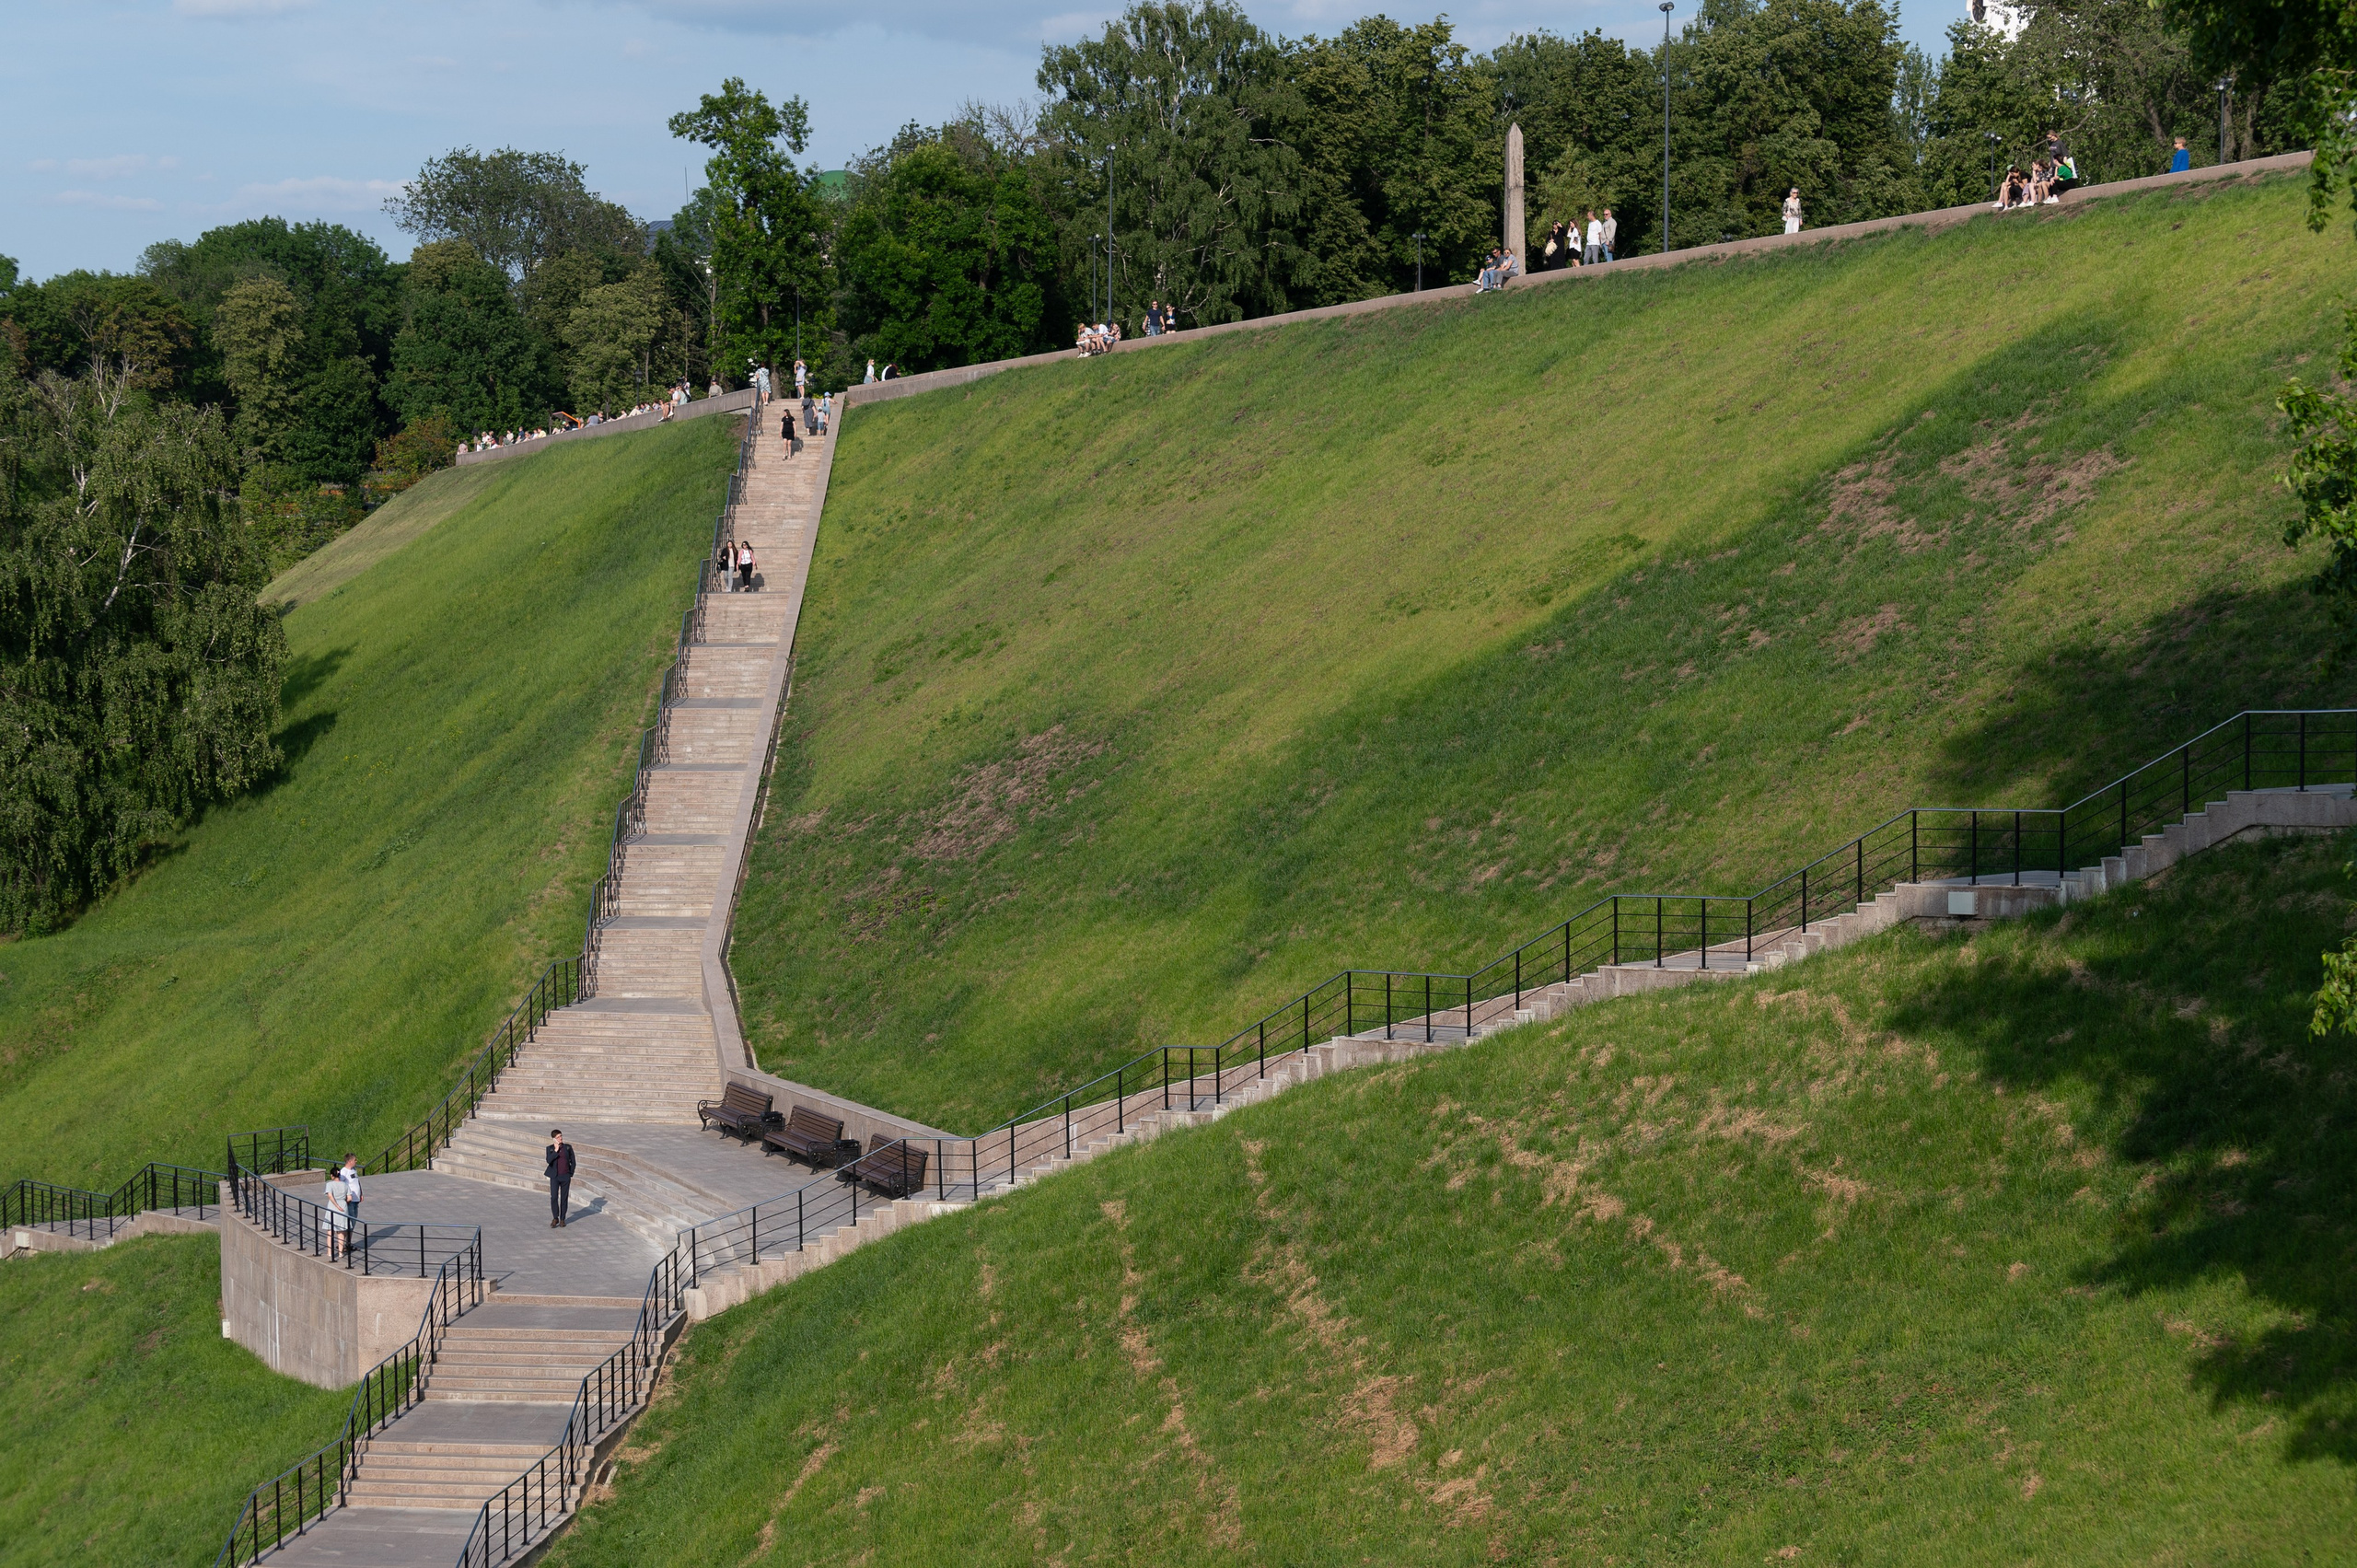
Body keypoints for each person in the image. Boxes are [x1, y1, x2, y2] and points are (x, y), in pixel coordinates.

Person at [546, 1129, 575, 1228]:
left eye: (561, 1136)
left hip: (565, 1176)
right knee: (554, 1197)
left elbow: (573, 1161)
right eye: (558, 1137)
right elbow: (548, 1160)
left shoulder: (568, 1148)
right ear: (554, 1139)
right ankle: (555, 1217)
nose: (560, 1138)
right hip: (555, 1177)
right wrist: (555, 1150)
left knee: (564, 1198)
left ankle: (562, 1219)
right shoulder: (550, 1149)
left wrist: (570, 1173)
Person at [322, 1166, 349, 1260]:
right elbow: (349, 1198)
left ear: (331, 1175)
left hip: (332, 1208)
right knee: (341, 1231)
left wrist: (337, 1205)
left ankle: (330, 1252)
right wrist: (343, 1203)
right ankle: (341, 1253)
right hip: (343, 1207)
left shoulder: (329, 1184)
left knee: (330, 1231)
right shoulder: (345, 1185)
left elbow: (330, 1196)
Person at [340, 1155, 363, 1237]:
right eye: (355, 1160)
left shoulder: (354, 1170)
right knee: (350, 1222)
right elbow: (339, 1184)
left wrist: (361, 1194)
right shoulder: (344, 1172)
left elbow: (357, 1182)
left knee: (353, 1222)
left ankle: (348, 1243)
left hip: (356, 1200)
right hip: (350, 1201)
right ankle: (343, 1244)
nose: (356, 1161)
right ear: (350, 1161)